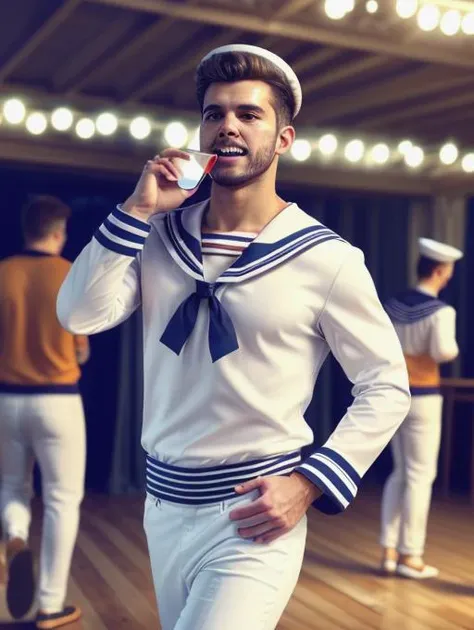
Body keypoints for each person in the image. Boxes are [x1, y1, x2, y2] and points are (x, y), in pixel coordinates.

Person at [57, 45, 410, 630]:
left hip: (256, 513)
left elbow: (386, 385)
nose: (228, 127)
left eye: (249, 115)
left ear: (284, 138)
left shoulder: (329, 259)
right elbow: (77, 315)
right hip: (163, 508)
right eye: (214, 114)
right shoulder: (155, 236)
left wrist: (309, 484)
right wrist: (137, 209)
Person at [0, 196, 89, 629]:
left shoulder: (3, 272)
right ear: (58, 232)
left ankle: (15, 539)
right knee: (62, 499)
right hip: (58, 400)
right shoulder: (69, 273)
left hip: (7, 399)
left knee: (13, 486)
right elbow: (83, 348)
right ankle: (50, 606)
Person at [380, 237, 462, 579]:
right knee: (420, 475)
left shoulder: (393, 303)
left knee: (399, 472)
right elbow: (445, 351)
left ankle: (387, 550)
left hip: (392, 393)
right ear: (440, 271)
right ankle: (410, 555)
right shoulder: (442, 312)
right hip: (425, 395)